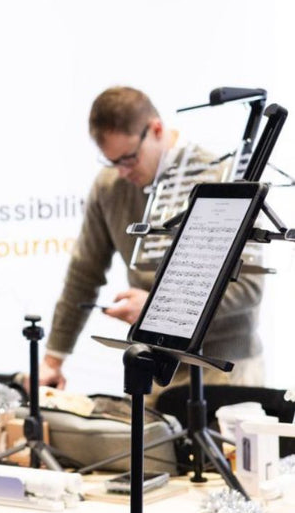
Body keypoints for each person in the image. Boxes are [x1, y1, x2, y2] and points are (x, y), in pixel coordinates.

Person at [38, 86, 263, 402]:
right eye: (112, 161)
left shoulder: (220, 176)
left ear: (156, 129)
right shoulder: (109, 186)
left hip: (224, 369)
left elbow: (249, 287)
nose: (122, 172)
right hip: (153, 367)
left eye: (129, 158)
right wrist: (53, 359)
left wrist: (159, 309)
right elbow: (83, 275)